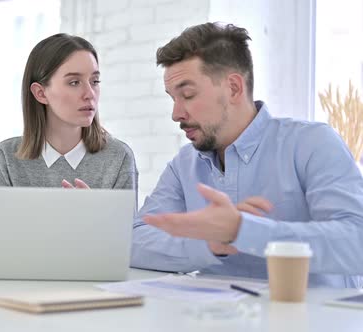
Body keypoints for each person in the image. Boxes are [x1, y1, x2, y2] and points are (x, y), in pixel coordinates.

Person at [131, 22, 363, 287]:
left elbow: (357, 242)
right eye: (173, 98)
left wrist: (243, 230)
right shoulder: (184, 164)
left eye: (188, 95)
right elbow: (136, 240)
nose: (176, 114)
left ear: (233, 88)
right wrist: (210, 244)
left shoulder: (312, 143)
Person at [0, 33, 138, 195]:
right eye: (74, 82)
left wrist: (95, 214)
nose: (90, 93)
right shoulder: (5, 159)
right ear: (40, 93)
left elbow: (124, 221)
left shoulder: (119, 157)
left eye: (95, 81)